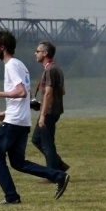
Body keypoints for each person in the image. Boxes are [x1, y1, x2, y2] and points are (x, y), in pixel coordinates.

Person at [0, 30, 70, 204]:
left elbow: (21, 92)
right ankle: (58, 175)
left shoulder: (11, 66)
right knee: (18, 162)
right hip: (21, 121)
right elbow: (25, 94)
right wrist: (7, 112)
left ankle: (11, 197)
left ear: (2, 47)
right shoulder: (20, 65)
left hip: (14, 123)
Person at [31, 41, 69, 173]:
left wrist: (42, 114)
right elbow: (62, 91)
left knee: (47, 143)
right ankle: (58, 164)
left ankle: (53, 172)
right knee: (37, 139)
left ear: (45, 53)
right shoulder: (56, 68)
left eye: (38, 51)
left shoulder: (50, 70)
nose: (35, 53)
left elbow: (48, 93)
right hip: (53, 109)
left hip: (49, 111)